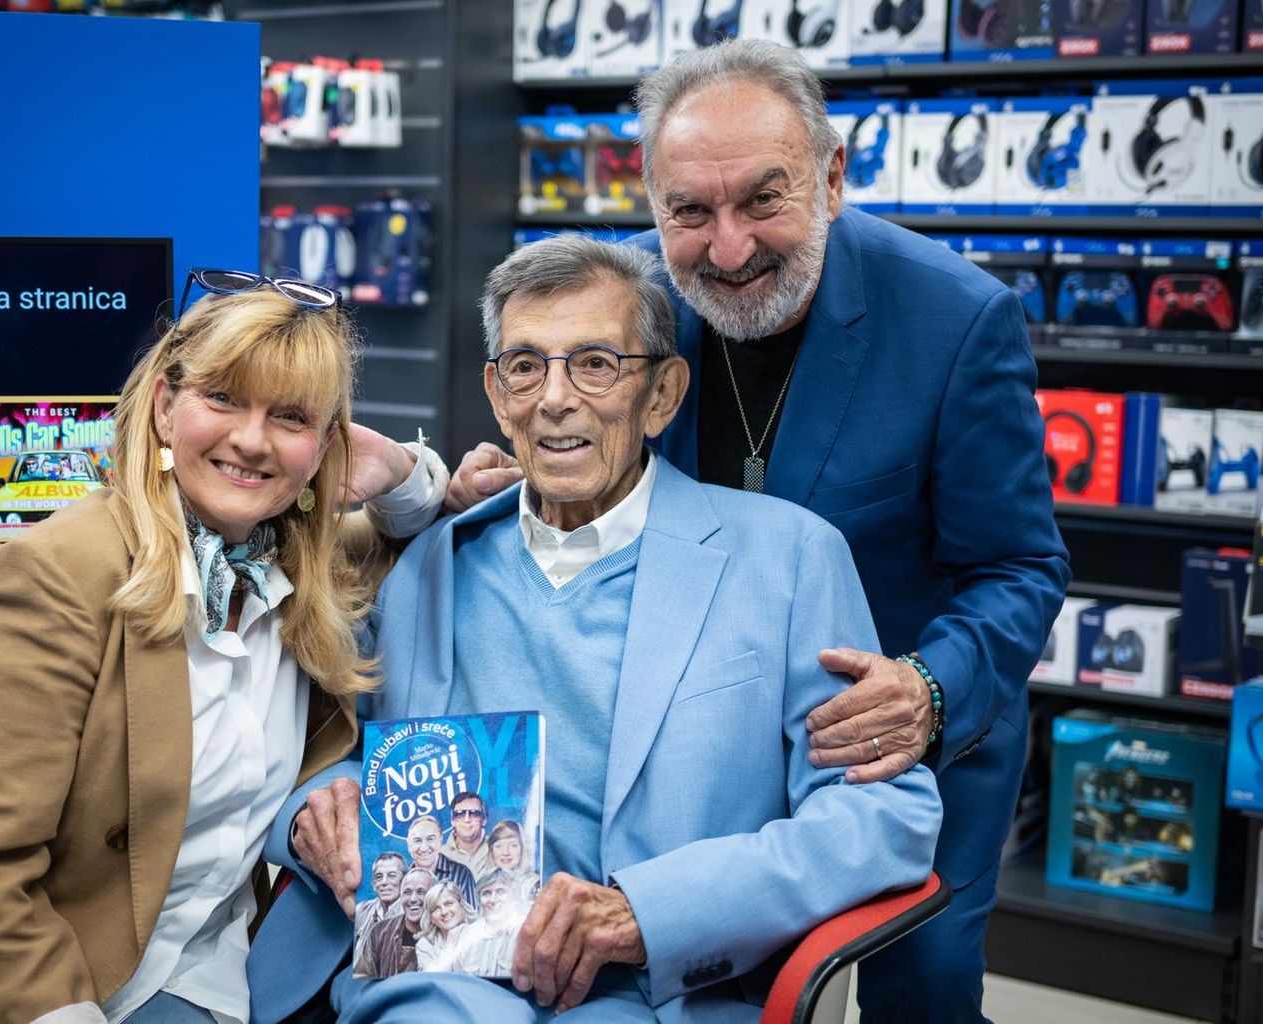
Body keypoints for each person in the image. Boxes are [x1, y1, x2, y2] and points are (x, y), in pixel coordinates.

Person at [445, 40, 1070, 1023]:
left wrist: (930, 687)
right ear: (651, 199)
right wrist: (520, 472)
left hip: (894, 734)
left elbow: (1020, 564)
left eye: (762, 201)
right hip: (706, 732)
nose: (728, 249)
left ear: (832, 177)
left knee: (927, 982)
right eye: (690, 211)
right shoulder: (632, 300)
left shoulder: (956, 321)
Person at [246, 235, 942, 1024]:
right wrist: (320, 808)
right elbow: (333, 750)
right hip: (442, 977)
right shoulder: (431, 564)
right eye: (526, 366)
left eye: (595, 364)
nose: (555, 398)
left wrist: (650, 912)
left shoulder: (788, 560)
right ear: (498, 393)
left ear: (662, 395)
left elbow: (881, 816)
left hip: (663, 990)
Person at [0, 271, 449, 1024]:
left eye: (289, 417)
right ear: (164, 407)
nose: (251, 439)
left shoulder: (302, 568)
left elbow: (414, 528)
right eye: (222, 398)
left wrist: (398, 470)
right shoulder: (58, 571)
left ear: (326, 446)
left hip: (190, 972)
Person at [441, 870, 527, 979]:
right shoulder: (464, 935)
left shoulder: (526, 931)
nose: (493, 900)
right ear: (478, 899)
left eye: (500, 891)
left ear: (515, 896)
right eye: (486, 893)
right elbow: (452, 981)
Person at [358, 868, 434, 980]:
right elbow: (362, 977)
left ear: (434, 897)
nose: (413, 899)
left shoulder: (445, 933)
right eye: (407, 892)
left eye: (421, 892)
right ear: (401, 896)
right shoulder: (379, 932)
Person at [406, 813, 476, 906]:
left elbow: (472, 913)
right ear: (409, 844)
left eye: (430, 839)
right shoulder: (404, 878)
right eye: (417, 841)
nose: (424, 848)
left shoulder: (462, 874)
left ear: (440, 840)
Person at [354, 853, 409, 963]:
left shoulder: (413, 913)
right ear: (373, 883)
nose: (384, 882)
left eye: (391, 875)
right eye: (379, 877)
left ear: (405, 880)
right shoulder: (362, 911)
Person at [414, 880, 474, 972]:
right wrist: (451, 942)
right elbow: (436, 978)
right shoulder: (425, 945)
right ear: (431, 918)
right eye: (436, 909)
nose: (444, 912)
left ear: (461, 904)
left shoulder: (479, 934)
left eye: (448, 904)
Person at [441, 791, 494, 878]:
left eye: (474, 814)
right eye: (460, 814)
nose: (467, 819)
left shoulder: (496, 850)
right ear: (452, 821)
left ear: (484, 819)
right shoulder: (440, 856)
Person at [487, 819, 540, 901]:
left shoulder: (534, 884)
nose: (505, 852)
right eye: (499, 846)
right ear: (491, 850)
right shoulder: (484, 883)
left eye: (513, 845)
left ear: (522, 848)